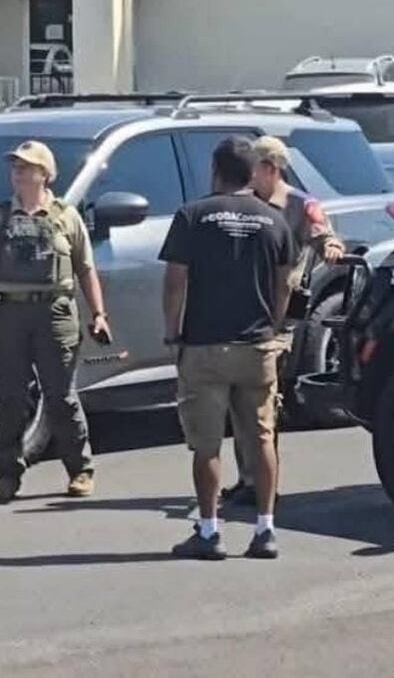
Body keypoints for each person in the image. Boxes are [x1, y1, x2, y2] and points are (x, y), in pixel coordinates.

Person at [0, 140, 111, 504]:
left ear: (45, 174)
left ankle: (80, 468)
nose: (18, 172)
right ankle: (7, 474)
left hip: (54, 314)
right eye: (15, 166)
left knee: (60, 396)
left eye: (26, 166)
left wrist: (99, 314)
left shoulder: (65, 216)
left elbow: (85, 268)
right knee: (10, 398)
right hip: (9, 316)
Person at [159, 135, 296, 560]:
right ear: (252, 172)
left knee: (207, 444)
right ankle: (265, 530)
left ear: (216, 171)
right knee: (262, 438)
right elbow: (285, 283)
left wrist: (173, 332)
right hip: (256, 346)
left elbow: (175, 281)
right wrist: (273, 326)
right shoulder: (274, 220)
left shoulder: (193, 215)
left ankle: (209, 531)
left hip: (205, 346)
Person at [222, 135, 345, 507]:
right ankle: (248, 477)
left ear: (271, 168)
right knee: (239, 399)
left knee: (263, 401)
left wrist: (331, 247)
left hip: (278, 318)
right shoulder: (244, 202)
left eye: (255, 166)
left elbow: (325, 236)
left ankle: (263, 483)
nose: (249, 173)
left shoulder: (301, 205)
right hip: (242, 311)